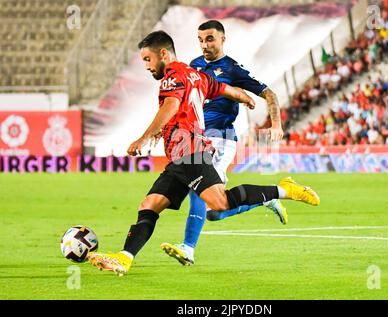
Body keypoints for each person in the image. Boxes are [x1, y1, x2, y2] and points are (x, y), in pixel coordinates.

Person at [87, 30, 320, 276]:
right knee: (149, 205)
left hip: (192, 153)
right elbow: (222, 89)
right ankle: (124, 258)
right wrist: (244, 97)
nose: (146, 66)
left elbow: (171, 104)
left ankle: (284, 190)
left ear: (163, 53)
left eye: (148, 59)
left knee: (219, 204)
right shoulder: (195, 74)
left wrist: (144, 137)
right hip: (179, 158)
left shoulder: (172, 75)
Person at [160, 20, 287, 266]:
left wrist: (276, 124)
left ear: (222, 39)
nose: (204, 44)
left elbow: (269, 94)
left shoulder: (232, 69)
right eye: (200, 39)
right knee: (214, 213)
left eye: (210, 39)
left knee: (199, 188)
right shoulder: (193, 66)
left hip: (221, 138)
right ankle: (264, 197)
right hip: (196, 137)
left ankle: (188, 248)